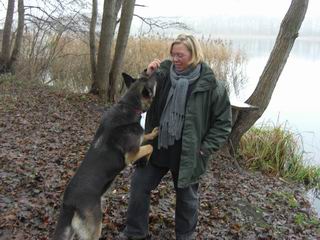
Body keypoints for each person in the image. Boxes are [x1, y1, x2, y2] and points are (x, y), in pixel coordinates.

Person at [122, 34, 232, 240]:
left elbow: (224, 123)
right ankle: (134, 232)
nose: (175, 59)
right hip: (157, 145)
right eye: (173, 55)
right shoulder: (161, 76)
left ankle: (185, 236)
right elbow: (137, 98)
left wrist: (205, 148)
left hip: (189, 152)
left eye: (180, 55)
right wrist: (147, 74)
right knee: (139, 185)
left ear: (194, 54)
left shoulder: (212, 86)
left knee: (187, 200)